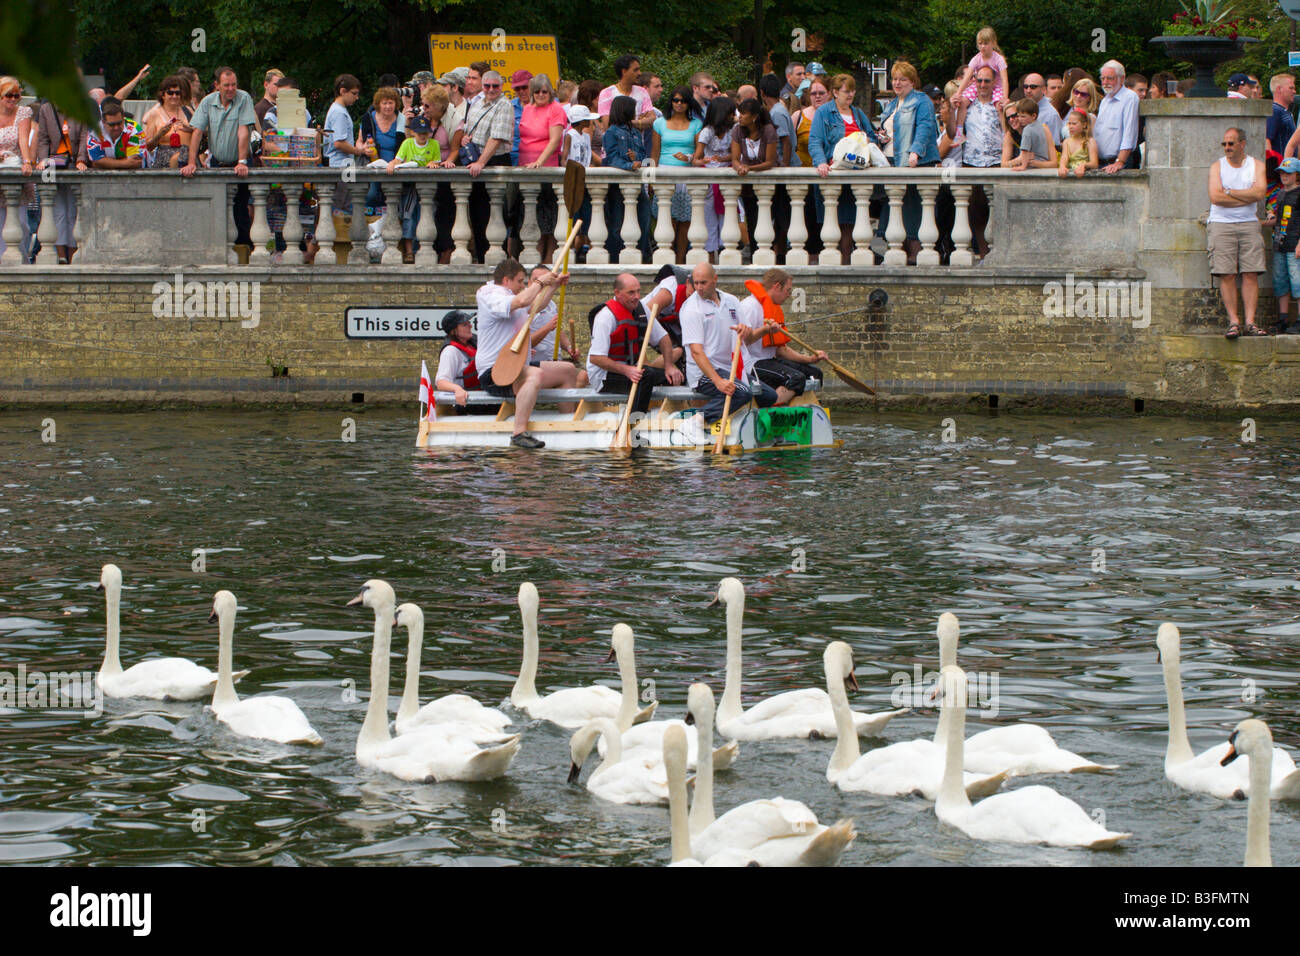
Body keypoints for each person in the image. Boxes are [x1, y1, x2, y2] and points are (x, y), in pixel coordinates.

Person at [475, 258, 573, 448]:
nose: (522, 285)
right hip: (494, 371)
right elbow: (523, 300)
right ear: (506, 280)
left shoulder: (513, 298)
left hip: (517, 367)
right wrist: (539, 282)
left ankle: (568, 425)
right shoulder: (490, 295)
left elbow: (536, 305)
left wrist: (554, 286)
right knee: (535, 374)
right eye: (520, 281)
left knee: (567, 370)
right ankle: (518, 433)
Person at [678, 262, 778, 441]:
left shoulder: (731, 301)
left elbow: (748, 339)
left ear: (715, 280)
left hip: (730, 367)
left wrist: (762, 330)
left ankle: (750, 427)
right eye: (696, 283)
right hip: (704, 373)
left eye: (704, 283)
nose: (699, 288)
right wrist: (718, 382)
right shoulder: (692, 309)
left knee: (770, 395)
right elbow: (696, 352)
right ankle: (695, 421)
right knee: (743, 392)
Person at [182, 67, 258, 255]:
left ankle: (243, 251)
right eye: (226, 85)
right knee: (219, 209)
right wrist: (192, 162)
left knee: (241, 210)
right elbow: (197, 132)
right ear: (217, 86)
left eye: (233, 84)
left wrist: (242, 161)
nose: (231, 89)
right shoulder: (208, 102)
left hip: (238, 163)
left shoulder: (244, 98)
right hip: (217, 163)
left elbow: (243, 131)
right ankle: (218, 250)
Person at [587, 273, 683, 415]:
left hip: (632, 370)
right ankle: (633, 422)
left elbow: (663, 338)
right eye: (631, 292)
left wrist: (669, 366)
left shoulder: (641, 309)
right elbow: (596, 358)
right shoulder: (605, 317)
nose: (637, 296)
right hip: (604, 376)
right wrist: (627, 370)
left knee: (675, 377)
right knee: (646, 376)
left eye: (638, 291)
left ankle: (670, 415)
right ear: (617, 293)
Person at [1208, 127, 1268, 338]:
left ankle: (1250, 322)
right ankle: (1234, 321)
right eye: (1224, 144)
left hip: (1249, 222)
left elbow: (1260, 193)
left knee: (1251, 272)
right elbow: (1215, 198)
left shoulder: (1256, 165)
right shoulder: (1217, 166)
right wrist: (1246, 195)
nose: (1227, 148)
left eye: (1231, 143)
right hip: (1221, 223)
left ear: (1242, 144)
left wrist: (1230, 191)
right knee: (1227, 273)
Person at [878, 61, 939, 264]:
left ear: (912, 82)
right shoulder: (892, 104)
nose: (897, 83)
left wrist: (916, 152)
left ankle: (915, 253)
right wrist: (882, 136)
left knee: (913, 207)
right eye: (895, 79)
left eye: (902, 79)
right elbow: (888, 130)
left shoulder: (921, 101)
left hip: (914, 162)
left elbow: (924, 127)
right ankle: (894, 250)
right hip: (892, 161)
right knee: (894, 206)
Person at [450, 70, 514, 262]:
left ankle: (497, 259)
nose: (491, 90)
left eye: (495, 86)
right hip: (474, 160)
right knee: (477, 215)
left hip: (493, 161)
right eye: (487, 86)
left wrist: (481, 162)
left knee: (495, 214)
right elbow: (467, 128)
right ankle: (480, 256)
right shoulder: (477, 102)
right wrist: (465, 139)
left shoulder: (504, 105)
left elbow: (496, 138)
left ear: (501, 87)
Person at [737, 269, 826, 406]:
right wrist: (766, 330)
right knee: (795, 378)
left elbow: (781, 350)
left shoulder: (772, 308)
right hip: (752, 364)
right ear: (777, 286)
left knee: (815, 374)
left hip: (769, 360)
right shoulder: (749, 307)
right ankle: (771, 412)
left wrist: (811, 359)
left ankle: (795, 408)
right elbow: (743, 340)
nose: (789, 295)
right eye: (788, 290)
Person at [34, 96, 89, 263]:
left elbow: (84, 136)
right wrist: (42, 159)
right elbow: (43, 138)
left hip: (73, 161)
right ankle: (60, 255)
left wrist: (81, 159)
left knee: (73, 211)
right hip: (52, 163)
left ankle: (72, 254)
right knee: (55, 209)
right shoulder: (46, 109)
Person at [520, 73, 568, 261]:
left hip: (546, 168)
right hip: (525, 167)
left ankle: (548, 257)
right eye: (537, 91)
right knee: (529, 215)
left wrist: (539, 161)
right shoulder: (527, 108)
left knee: (548, 217)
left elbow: (555, 139)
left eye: (544, 92)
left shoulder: (556, 109)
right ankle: (533, 256)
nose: (540, 95)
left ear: (550, 92)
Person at [652, 85, 703, 262]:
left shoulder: (696, 124)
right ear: (671, 102)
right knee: (667, 219)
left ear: (689, 103)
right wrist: (650, 179)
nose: (679, 104)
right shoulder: (659, 123)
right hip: (665, 173)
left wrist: (688, 157)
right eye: (676, 100)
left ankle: (681, 259)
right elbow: (654, 153)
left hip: (687, 174)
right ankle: (668, 259)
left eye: (683, 101)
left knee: (686, 221)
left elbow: (700, 153)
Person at [385, 114, 439, 263]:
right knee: (408, 216)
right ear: (413, 132)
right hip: (410, 187)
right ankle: (409, 251)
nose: (422, 136)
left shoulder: (434, 144)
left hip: (426, 188)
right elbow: (398, 159)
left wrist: (434, 164)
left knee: (426, 215)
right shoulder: (407, 143)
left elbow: (436, 161)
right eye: (419, 132)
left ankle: (423, 247)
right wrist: (392, 164)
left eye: (425, 133)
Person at [603, 94, 650, 261]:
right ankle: (615, 257)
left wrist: (637, 158)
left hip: (636, 184)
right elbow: (611, 158)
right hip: (618, 186)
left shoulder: (636, 132)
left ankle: (642, 255)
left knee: (644, 217)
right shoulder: (611, 132)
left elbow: (644, 154)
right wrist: (629, 165)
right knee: (617, 222)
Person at [731, 98, 778, 262]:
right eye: (739, 113)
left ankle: (771, 256)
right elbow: (735, 158)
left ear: (755, 116)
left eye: (744, 113)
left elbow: (770, 162)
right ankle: (753, 256)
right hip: (748, 186)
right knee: (751, 220)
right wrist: (739, 167)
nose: (740, 117)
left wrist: (749, 168)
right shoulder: (737, 131)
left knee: (768, 220)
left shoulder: (769, 130)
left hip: (768, 184)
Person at [692, 96, 737, 262]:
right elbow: (697, 158)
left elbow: (736, 154)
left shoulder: (733, 131)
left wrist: (723, 159)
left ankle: (727, 255)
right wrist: (704, 161)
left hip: (726, 178)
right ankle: (710, 257)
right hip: (710, 181)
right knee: (709, 220)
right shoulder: (707, 131)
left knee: (727, 218)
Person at [0, 77, 34, 262]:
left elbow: (23, 139)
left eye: (16, 96)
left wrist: (27, 161)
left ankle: (21, 260)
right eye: (8, 96)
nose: (13, 99)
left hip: (14, 167)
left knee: (21, 223)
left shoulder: (23, 113)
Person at [360, 87, 405, 222]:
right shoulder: (368, 118)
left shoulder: (401, 119)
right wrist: (363, 149)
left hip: (395, 165)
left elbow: (407, 142)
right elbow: (359, 142)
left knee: (394, 198)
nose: (388, 106)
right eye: (384, 103)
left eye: (391, 103)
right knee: (371, 195)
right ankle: (369, 225)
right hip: (374, 164)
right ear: (378, 104)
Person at [1268, 157, 1300, 334]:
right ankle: (1283, 318)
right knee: (1280, 281)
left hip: (1294, 243)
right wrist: (1270, 217)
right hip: (1280, 243)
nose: (1284, 176)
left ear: (1297, 175)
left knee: (1298, 282)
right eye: (1281, 173)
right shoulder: (1280, 194)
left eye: (1288, 173)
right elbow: (1279, 218)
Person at [955, 26, 1010, 130]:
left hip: (996, 86)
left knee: (1000, 107)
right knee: (962, 102)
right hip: (979, 85)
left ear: (993, 43)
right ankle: (959, 130)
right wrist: (958, 93)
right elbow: (966, 78)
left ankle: (1004, 132)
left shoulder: (999, 59)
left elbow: (1004, 79)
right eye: (980, 44)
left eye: (986, 43)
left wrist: (1005, 97)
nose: (982, 47)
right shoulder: (976, 59)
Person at [141, 74, 194, 169]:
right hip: (165, 162)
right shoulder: (154, 114)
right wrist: (160, 134)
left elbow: (200, 133)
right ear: (163, 95)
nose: (174, 96)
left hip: (188, 161)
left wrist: (190, 129)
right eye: (170, 93)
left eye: (177, 93)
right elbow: (147, 147)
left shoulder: (188, 110)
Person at [1095, 60, 1139, 173]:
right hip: (1101, 162)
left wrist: (1120, 161)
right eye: (1102, 78)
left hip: (1118, 162)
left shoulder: (1129, 98)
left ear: (1122, 78)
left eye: (1110, 78)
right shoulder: (1105, 100)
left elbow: (1129, 132)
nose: (1105, 82)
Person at [643, 263, 694, 353]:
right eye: (694, 287)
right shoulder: (670, 290)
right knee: (674, 352)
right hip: (642, 317)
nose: (695, 295)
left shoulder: (706, 296)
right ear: (687, 282)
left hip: (670, 324)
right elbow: (646, 316)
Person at [598, 55, 656, 131]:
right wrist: (640, 122)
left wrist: (627, 123)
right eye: (635, 70)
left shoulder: (642, 92)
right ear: (624, 71)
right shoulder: (607, 93)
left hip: (638, 142)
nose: (639, 73)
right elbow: (608, 126)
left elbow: (652, 119)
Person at [88, 98, 143, 169]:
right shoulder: (95, 132)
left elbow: (134, 162)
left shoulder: (134, 130)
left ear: (123, 120)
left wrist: (106, 162)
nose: (116, 127)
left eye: (119, 123)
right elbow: (96, 162)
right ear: (104, 123)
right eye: (112, 124)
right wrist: (124, 163)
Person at [1002, 98, 1057, 170]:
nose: (1011, 120)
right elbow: (1003, 164)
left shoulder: (1043, 129)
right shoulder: (1009, 135)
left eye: (1014, 116)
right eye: (1008, 118)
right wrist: (1019, 160)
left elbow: (1054, 163)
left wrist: (1035, 163)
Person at [1020, 73, 1062, 144]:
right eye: (1025, 86)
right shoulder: (1021, 107)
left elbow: (1055, 144)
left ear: (1043, 89)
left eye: (1033, 87)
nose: (1028, 90)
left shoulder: (1051, 114)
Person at [1057, 108, 1098, 178]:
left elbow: (1094, 163)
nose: (1070, 127)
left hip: (1085, 176)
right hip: (1070, 175)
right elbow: (1064, 157)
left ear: (1084, 125)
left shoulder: (1089, 141)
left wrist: (1084, 165)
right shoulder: (1066, 142)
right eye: (1069, 123)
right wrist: (1062, 166)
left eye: (1074, 124)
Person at [1271, 75, 1298, 158]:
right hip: (1281, 167)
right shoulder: (1274, 110)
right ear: (1279, 89)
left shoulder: (1286, 112)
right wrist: (1272, 165)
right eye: (1291, 88)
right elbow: (1267, 140)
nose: (1294, 91)